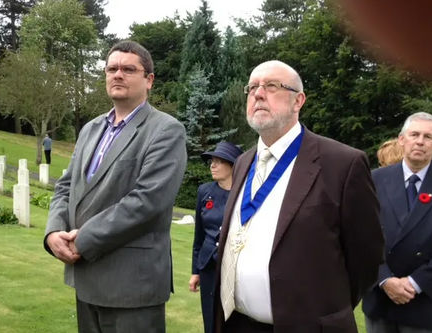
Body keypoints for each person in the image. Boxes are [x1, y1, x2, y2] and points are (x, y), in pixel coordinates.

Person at [213, 60, 385, 333]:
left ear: (298, 101)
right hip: (236, 323)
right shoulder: (244, 162)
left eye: (271, 86)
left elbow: (366, 256)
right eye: (252, 87)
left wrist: (328, 311)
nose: (258, 93)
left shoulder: (342, 163)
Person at [43, 40, 187, 333]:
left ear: (149, 80)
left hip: (132, 286)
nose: (117, 74)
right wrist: (53, 231)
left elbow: (147, 201)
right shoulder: (91, 129)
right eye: (112, 68)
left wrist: (82, 241)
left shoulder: (166, 130)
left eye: (128, 69)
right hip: (86, 279)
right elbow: (67, 185)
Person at [362, 112, 432, 333]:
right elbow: (362, 235)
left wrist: (416, 283)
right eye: (414, 134)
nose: (420, 141)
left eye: (428, 137)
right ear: (401, 140)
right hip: (381, 298)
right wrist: (385, 279)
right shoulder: (375, 179)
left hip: (426, 300)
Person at [189, 142, 243, 333]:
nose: (213, 165)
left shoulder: (245, 193)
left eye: (219, 161)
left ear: (233, 165)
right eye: (212, 161)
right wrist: (195, 271)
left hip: (235, 265)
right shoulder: (205, 191)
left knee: (234, 319)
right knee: (210, 318)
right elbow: (199, 236)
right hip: (208, 266)